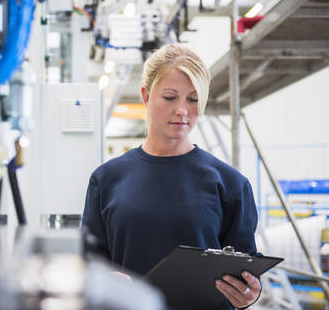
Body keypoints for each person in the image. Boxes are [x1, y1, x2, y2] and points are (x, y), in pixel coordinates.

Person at [82, 44, 261, 309]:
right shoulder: (106, 180)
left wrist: (250, 294)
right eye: (170, 97)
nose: (182, 110)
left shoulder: (230, 184)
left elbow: (245, 269)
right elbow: (88, 263)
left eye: (193, 99)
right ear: (146, 96)